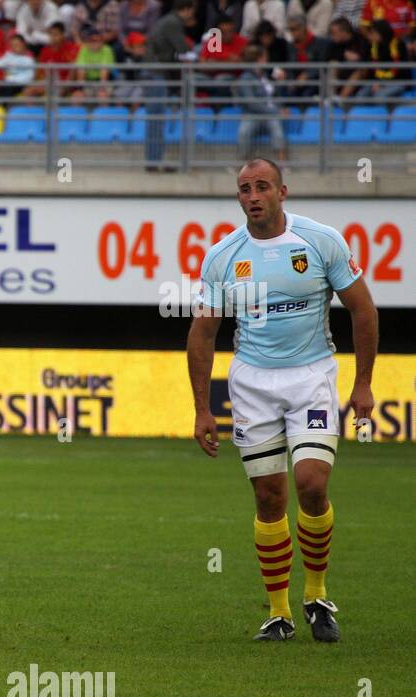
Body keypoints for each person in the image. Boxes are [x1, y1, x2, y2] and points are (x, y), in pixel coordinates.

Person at [187, 158, 378, 643]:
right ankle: (279, 613)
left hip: (311, 376)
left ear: (282, 192)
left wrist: (362, 384)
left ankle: (317, 596)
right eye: (245, 189)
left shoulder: (320, 241)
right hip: (252, 384)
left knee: (311, 483)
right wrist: (202, 408)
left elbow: (363, 309)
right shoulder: (223, 257)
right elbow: (203, 333)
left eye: (262, 187)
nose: (253, 196)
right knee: (269, 496)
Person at [143, 0, 198, 171]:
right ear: (187, 9)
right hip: (155, 73)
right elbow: (182, 49)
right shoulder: (173, 22)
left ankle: (155, 160)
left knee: (156, 118)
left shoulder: (167, 20)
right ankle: (154, 161)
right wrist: (197, 57)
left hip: (154, 72)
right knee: (156, 118)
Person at [234, 45, 288, 160]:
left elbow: (274, 95)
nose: (267, 61)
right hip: (252, 114)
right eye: (265, 58)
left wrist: (280, 82)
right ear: (258, 59)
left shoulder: (265, 76)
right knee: (244, 131)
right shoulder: (245, 78)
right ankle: (241, 164)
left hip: (270, 115)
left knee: (277, 129)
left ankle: (282, 164)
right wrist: (276, 111)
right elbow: (251, 103)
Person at [69, 24, 117, 99]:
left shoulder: (107, 50)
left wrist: (102, 90)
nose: (95, 43)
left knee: (102, 96)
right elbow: (81, 71)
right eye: (92, 40)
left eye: (97, 40)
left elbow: (104, 72)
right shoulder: (84, 49)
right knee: (76, 97)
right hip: (88, 82)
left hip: (105, 83)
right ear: (87, 41)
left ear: (102, 41)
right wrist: (80, 90)